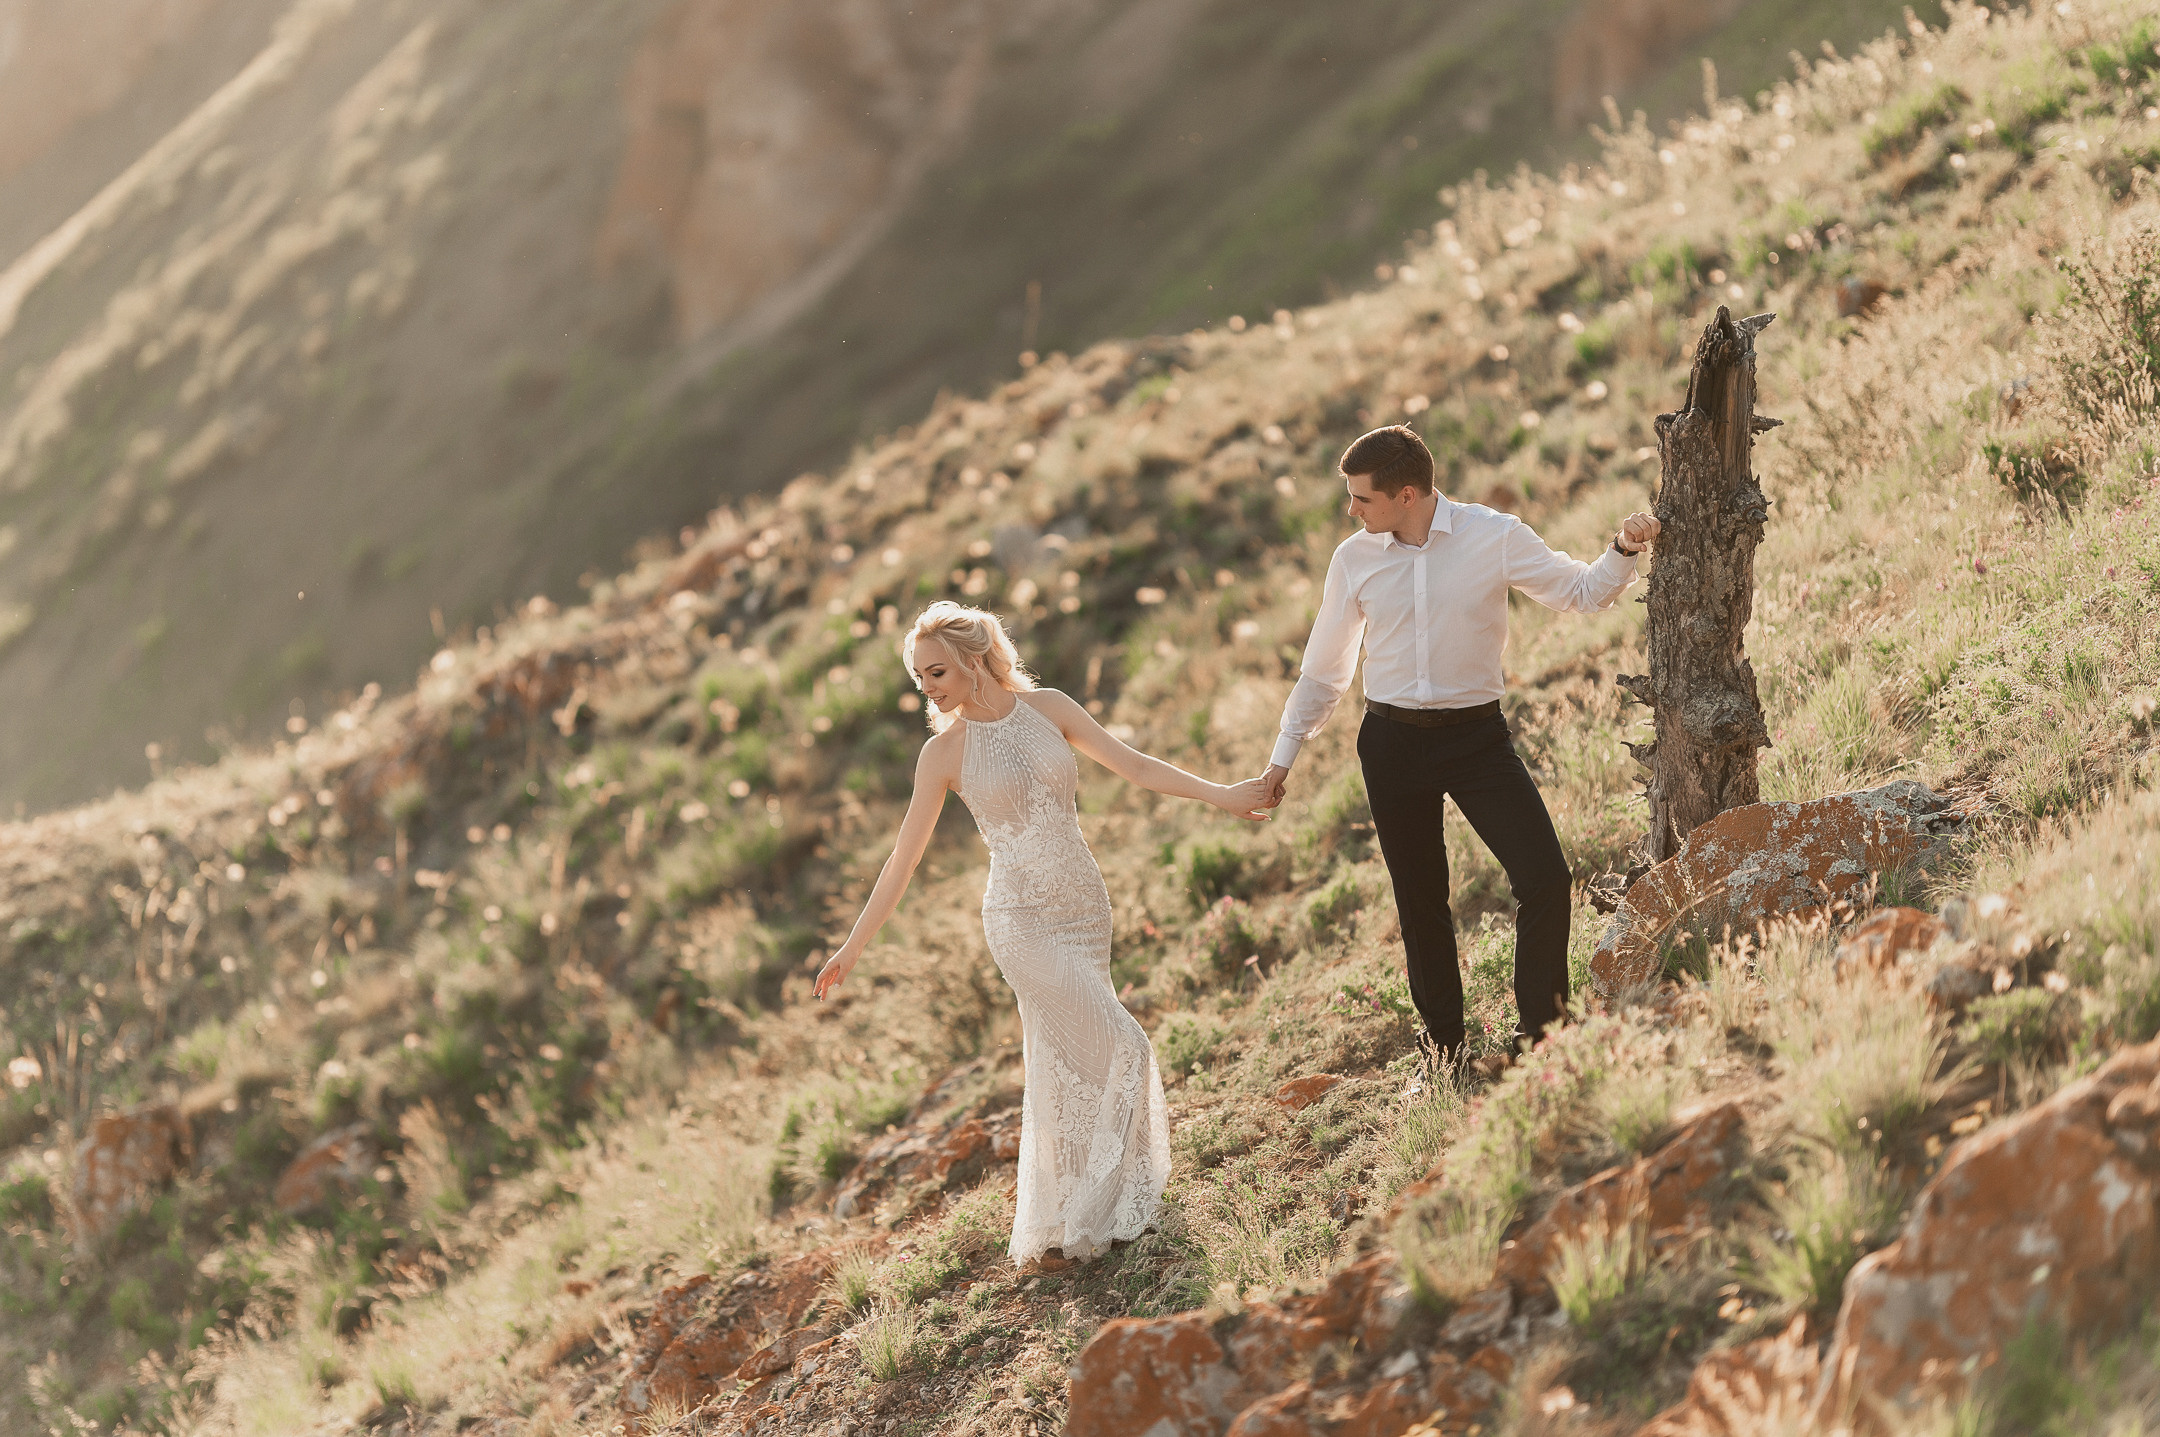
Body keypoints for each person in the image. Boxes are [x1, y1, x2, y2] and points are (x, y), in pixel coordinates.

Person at [815, 601, 1274, 1265]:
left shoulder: (1051, 707)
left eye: (936, 669)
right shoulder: (944, 752)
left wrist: (1227, 794)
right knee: (1123, 1041)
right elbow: (904, 857)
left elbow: (1137, 766)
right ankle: (1095, 1208)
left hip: (1084, 909)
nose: (928, 686)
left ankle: (1072, 1220)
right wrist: (852, 948)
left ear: (974, 658)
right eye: (920, 676)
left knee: (1067, 1059)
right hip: (1019, 918)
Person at [1254, 425, 1660, 1070]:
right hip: (1390, 743)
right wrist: (1282, 759)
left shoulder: (1492, 536)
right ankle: (1445, 1053)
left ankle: (1543, 1040)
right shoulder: (1354, 559)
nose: (1351, 511)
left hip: (1476, 739)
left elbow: (1581, 593)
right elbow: (1325, 672)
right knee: (1422, 903)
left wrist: (1622, 548)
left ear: (1407, 494)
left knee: (1546, 880)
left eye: (1361, 499)